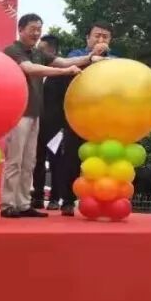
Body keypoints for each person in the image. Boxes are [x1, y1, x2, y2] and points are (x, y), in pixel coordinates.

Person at [0, 14, 101, 218]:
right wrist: (65, 72)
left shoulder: (38, 53)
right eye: (32, 29)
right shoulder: (13, 50)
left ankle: (23, 203)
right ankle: (8, 204)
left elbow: (63, 61)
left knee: (29, 162)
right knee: (15, 161)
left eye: (39, 29)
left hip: (35, 113)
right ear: (21, 29)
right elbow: (30, 69)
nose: (36, 33)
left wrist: (89, 58)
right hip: (18, 113)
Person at [51, 22, 114, 216]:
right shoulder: (76, 55)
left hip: (103, 119)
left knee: (102, 160)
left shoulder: (115, 61)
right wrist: (92, 57)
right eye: (97, 35)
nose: (101, 39)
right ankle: (67, 201)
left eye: (105, 36)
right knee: (71, 158)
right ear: (88, 38)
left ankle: (99, 200)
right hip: (77, 116)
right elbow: (69, 68)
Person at [30, 34, 63, 211]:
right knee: (37, 161)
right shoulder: (35, 71)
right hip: (36, 123)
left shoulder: (62, 74)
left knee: (56, 162)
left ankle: (55, 198)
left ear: (53, 51)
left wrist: (64, 127)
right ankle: (37, 196)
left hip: (56, 127)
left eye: (42, 50)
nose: (39, 53)